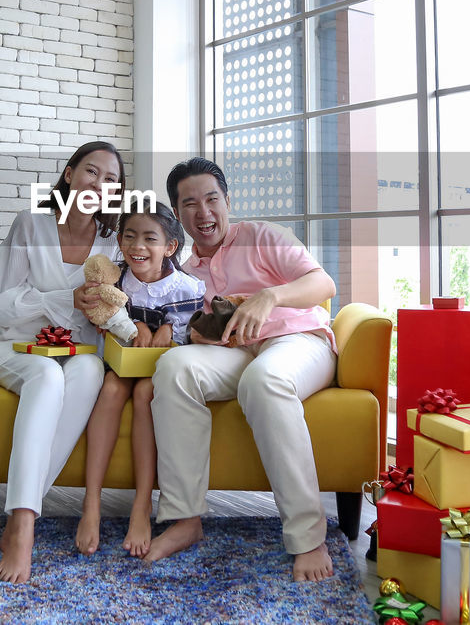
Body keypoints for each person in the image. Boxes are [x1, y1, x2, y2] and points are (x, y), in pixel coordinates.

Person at [145, 157, 339, 582]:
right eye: (190, 204)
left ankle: (309, 537)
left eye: (212, 199)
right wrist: (196, 336)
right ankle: (184, 519)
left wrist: (270, 296)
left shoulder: (263, 236)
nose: (203, 212)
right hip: (236, 352)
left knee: (265, 380)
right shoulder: (183, 272)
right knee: (175, 368)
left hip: (297, 341)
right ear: (177, 215)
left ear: (227, 201)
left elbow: (323, 284)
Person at [0, 141, 125, 583]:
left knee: (88, 372)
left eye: (111, 180)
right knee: (46, 376)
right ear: (69, 174)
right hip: (18, 348)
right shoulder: (30, 225)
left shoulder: (112, 243)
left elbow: (114, 309)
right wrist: (62, 299)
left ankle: (20, 513)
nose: (99, 184)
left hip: (79, 352)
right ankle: (24, 525)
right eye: (91, 172)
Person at [75, 203, 205, 558]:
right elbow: (105, 316)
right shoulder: (114, 278)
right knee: (113, 388)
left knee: (147, 392)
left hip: (158, 371)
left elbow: (191, 332)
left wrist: (167, 328)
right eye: (129, 236)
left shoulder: (186, 287)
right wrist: (137, 326)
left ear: (170, 248)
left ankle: (141, 505)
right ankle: (91, 503)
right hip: (120, 363)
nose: (138, 246)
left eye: (150, 238)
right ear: (119, 240)